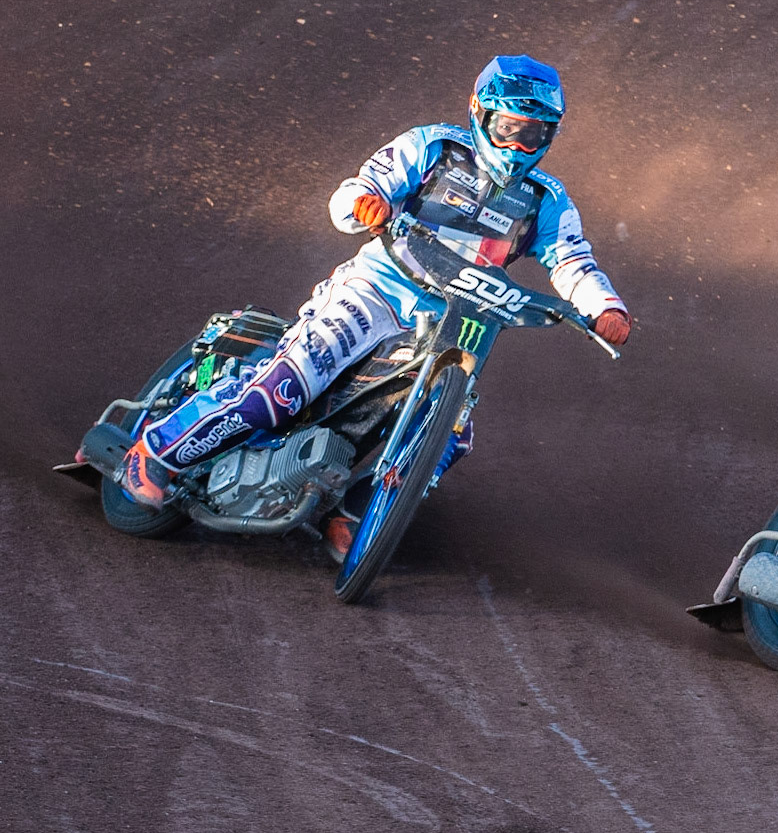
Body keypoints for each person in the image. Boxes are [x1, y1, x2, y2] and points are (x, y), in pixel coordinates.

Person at [118, 55, 631, 558]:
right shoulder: (432, 146)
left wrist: (604, 307)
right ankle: (157, 452)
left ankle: (352, 515)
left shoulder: (547, 199)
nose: (519, 145)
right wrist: (367, 202)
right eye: (507, 127)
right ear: (478, 112)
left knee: (451, 435)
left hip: (452, 323)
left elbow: (572, 262)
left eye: (534, 135)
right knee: (287, 389)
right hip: (376, 290)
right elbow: (353, 193)